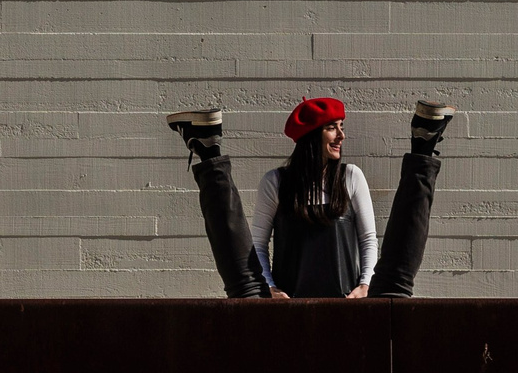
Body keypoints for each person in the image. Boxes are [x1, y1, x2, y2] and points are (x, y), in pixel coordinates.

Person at [165, 98, 454, 299]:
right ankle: (207, 147)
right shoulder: (276, 181)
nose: (341, 135)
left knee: (392, 285)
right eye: (332, 127)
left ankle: (423, 145)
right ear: (311, 136)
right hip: (288, 305)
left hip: (348, 303)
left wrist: (365, 285)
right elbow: (257, 246)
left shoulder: (350, 177)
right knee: (247, 284)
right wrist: (270, 288)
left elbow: (368, 239)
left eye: (342, 126)